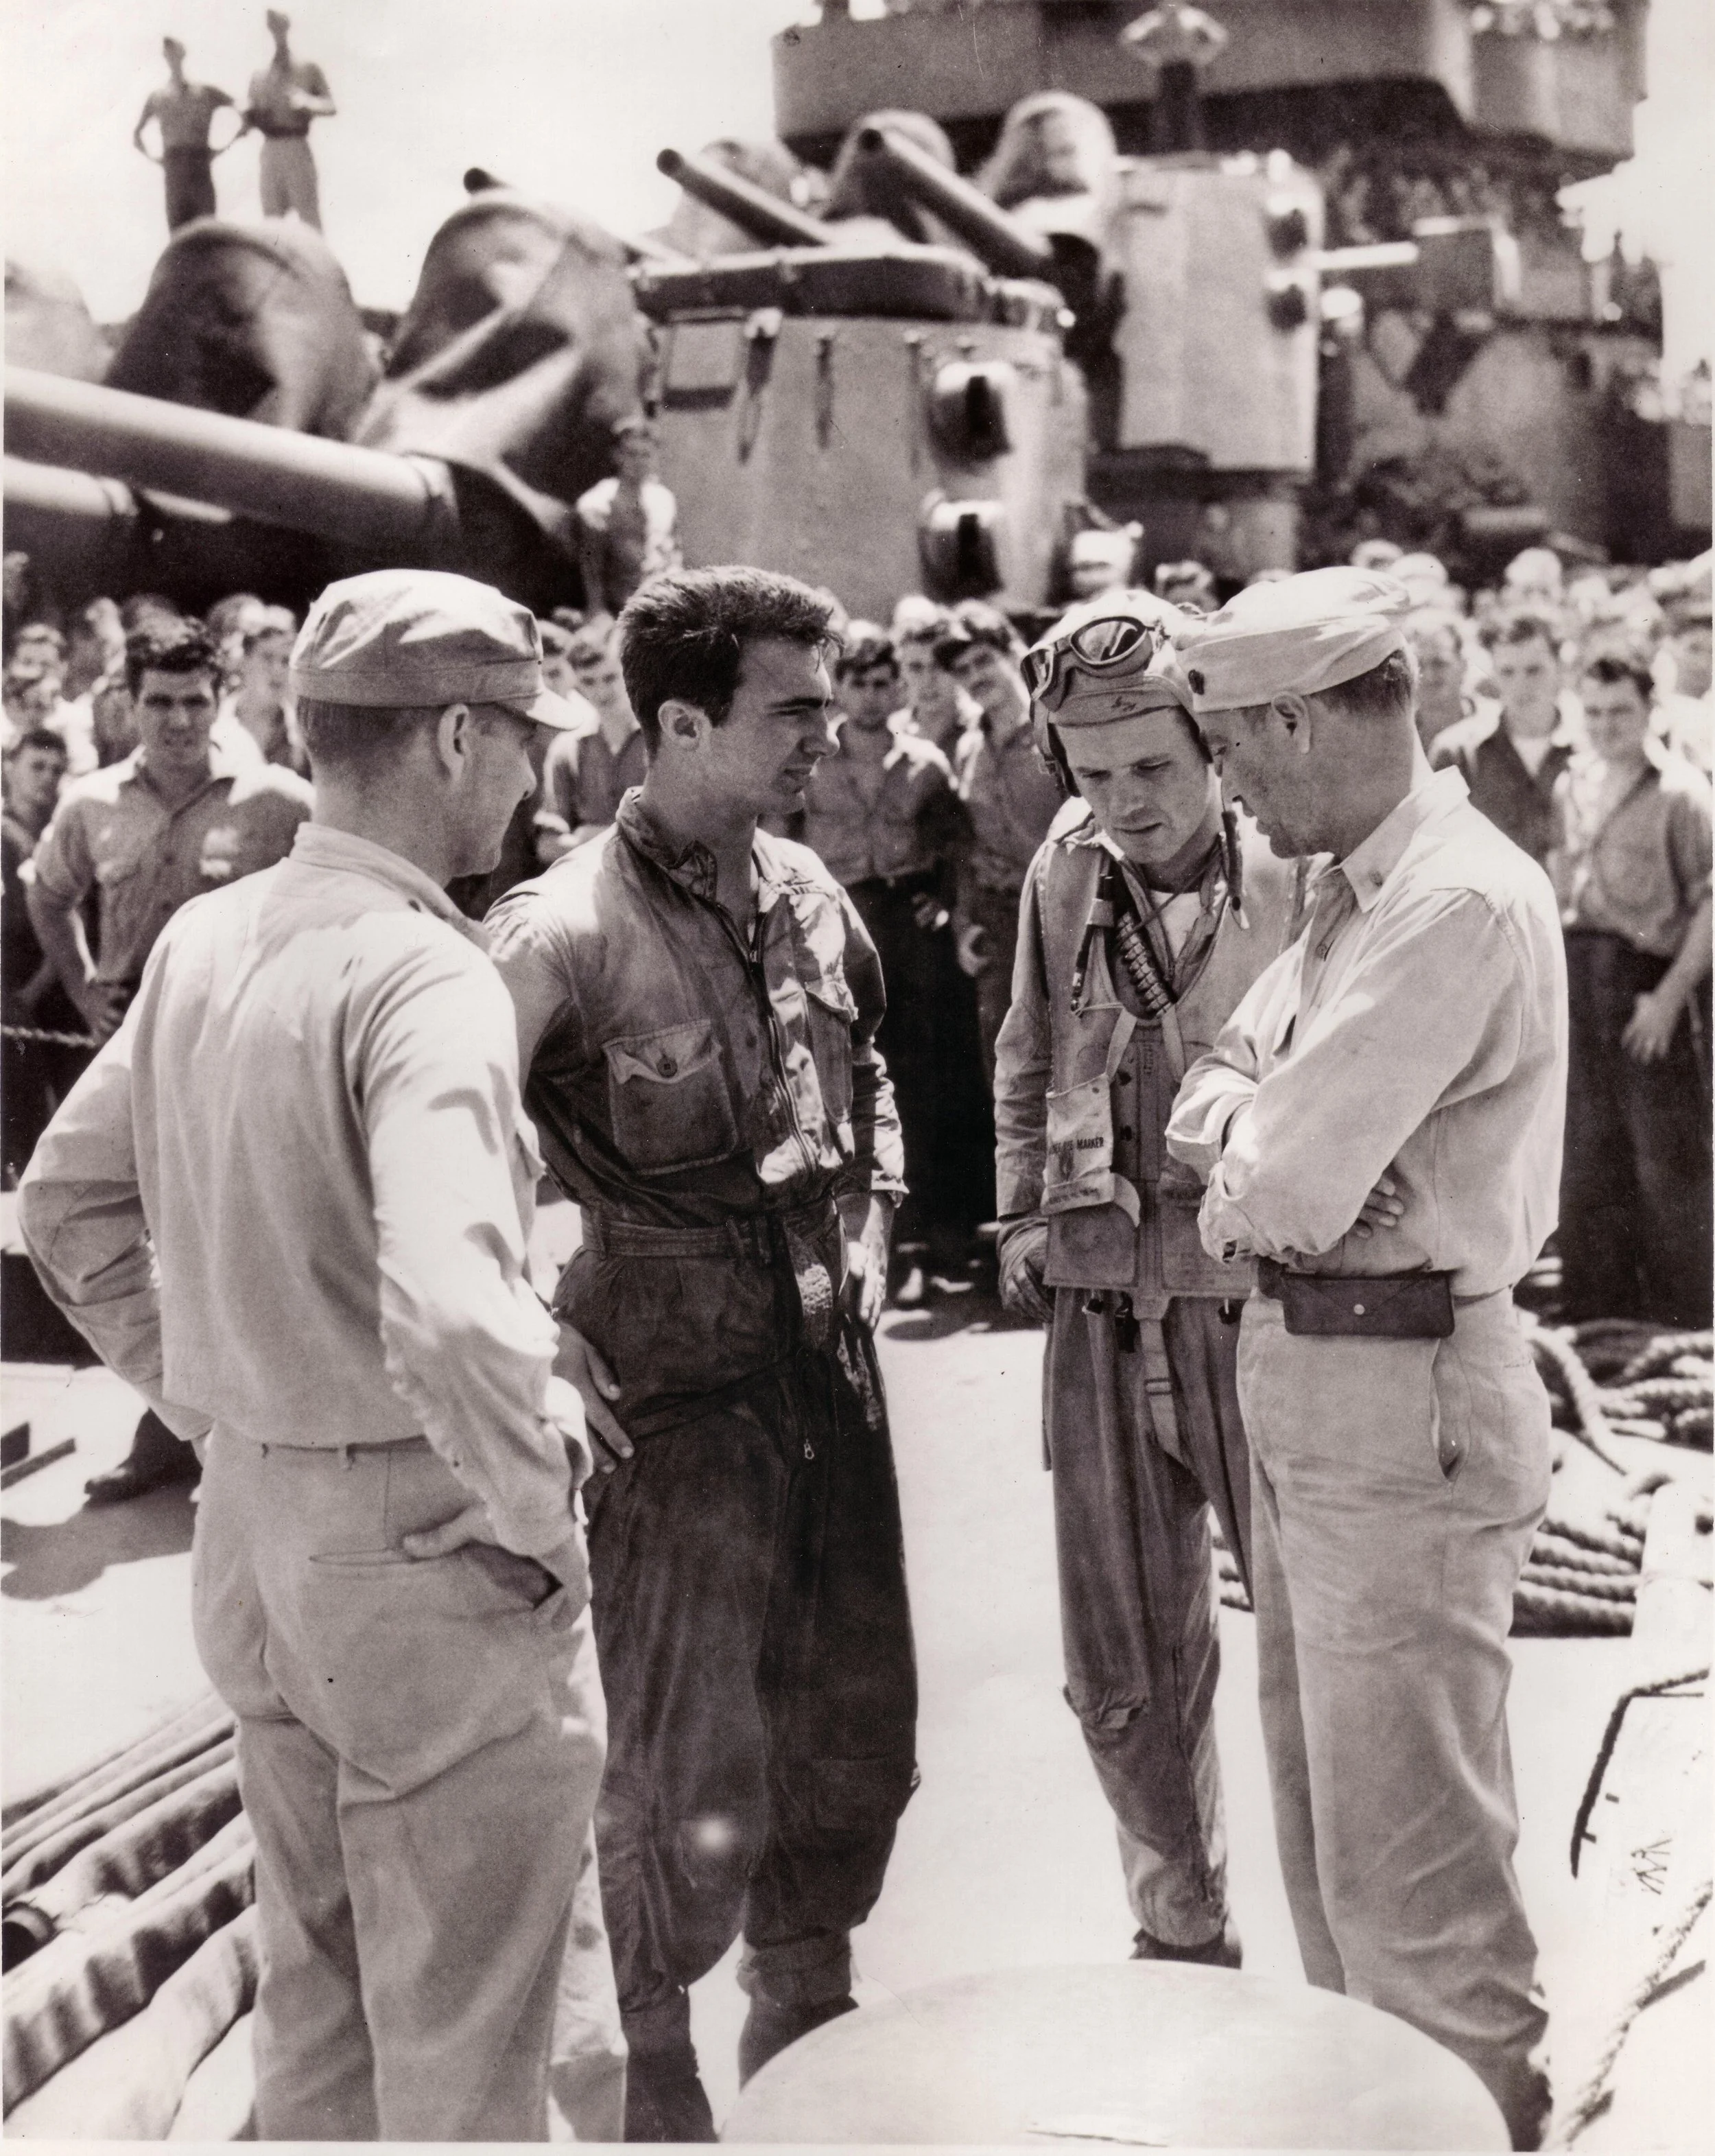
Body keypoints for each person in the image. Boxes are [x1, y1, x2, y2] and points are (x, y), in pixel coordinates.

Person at [19, 568, 603, 2141]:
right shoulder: (426, 970)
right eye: (524, 738)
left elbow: (64, 1205)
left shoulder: (208, 936)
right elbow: (456, 1310)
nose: (532, 775)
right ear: (457, 737)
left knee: (320, 2013)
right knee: (490, 2051)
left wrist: (216, 1398)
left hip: (256, 1535)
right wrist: (538, 1509)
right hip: (424, 1554)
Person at [484, 567, 916, 2141]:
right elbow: (420, 1150)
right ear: (678, 722)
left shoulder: (804, 889)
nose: (829, 734)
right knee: (675, 1770)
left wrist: (875, 1214)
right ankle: (652, 2076)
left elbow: (868, 1076)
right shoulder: (561, 932)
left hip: (825, 1379)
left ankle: (807, 2032)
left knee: (852, 1739)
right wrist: (530, 1332)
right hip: (672, 1413)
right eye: (792, 710)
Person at [1164, 567, 1565, 2150]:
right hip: (1329, 1384)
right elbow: (1215, 1088)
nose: (1231, 788)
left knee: (1416, 1895)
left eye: (1233, 748)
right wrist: (1260, 1138)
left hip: (1402, 1395)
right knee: (1334, 1869)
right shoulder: (1356, 896)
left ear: (1299, 723)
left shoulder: (1449, 903)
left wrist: (1260, 1157)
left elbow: (1284, 1185)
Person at [993, 594, 1300, 1968]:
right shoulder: (1062, 871)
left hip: (1256, 1305)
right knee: (1120, 1670)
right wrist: (1022, 1217)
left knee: (1312, 1647)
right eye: (1093, 770)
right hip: (1103, 1305)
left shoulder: (1294, 868)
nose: (1124, 800)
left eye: (1153, 767)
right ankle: (1181, 1935)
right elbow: (1024, 1052)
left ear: (1214, 746)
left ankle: (1351, 1966)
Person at [27, 618, 312, 1504]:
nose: (180, 720)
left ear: (221, 697)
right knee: (88, 1219)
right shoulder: (90, 803)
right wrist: (81, 987)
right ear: (129, 702)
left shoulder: (278, 800)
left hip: (238, 1055)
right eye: (159, 702)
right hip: (126, 1051)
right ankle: (183, 1422)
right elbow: (48, 893)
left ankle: (252, 1438)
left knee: (239, 1245)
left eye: (195, 700)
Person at [792, 626, 980, 1302]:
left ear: (897, 687)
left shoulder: (926, 761)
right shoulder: (812, 757)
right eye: (858, 683)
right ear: (837, 688)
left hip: (909, 927)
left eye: (882, 683)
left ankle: (938, 1233)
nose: (871, 695)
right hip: (838, 922)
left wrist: (944, 901)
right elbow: (780, 840)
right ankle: (876, 1243)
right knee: (851, 1079)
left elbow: (957, 844)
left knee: (924, 1078)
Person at [1549, 648, 1712, 1326]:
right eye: (1592, 712)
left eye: (1620, 711)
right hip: (1582, 980)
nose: (1605, 725)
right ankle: (1598, 1314)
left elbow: (1710, 903)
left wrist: (1669, 998)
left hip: (1647, 985)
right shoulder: (1572, 784)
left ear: (1650, 709)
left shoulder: (1683, 792)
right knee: (1586, 1151)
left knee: (1665, 1160)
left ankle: (1685, 1322)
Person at [938, 600, 1065, 1078]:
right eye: (963, 670)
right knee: (1006, 1064)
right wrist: (964, 920)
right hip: (1000, 918)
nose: (975, 676)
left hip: (1063, 909)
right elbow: (967, 846)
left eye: (983, 660)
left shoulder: (1055, 728)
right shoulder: (968, 746)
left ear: (1012, 652)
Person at [1431, 609, 1577, 866]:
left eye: (1534, 671)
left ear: (1560, 670)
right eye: (1508, 672)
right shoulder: (1458, 753)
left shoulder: (1589, 748)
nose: (1521, 685)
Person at [2, 729, 84, 1182]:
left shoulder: (69, 833)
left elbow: (78, 918)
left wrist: (34, 992)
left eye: (57, 770)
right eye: (37, 766)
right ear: (9, 767)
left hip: (63, 994)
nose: (47, 778)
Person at [536, 620, 640, 863]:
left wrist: (591, 837)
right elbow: (547, 846)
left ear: (629, 672)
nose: (601, 692)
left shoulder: (662, 741)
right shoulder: (567, 749)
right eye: (589, 681)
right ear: (575, 681)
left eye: (610, 678)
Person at [573, 417, 683, 619]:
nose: (639, 462)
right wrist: (596, 612)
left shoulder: (664, 499)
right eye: (632, 454)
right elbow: (591, 569)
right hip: (623, 608)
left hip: (666, 603)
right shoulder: (596, 505)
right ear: (617, 456)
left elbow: (674, 552)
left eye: (646, 454)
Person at [133, 38, 240, 231]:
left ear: (183, 54)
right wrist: (157, 160)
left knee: (206, 230)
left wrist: (223, 148)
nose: (172, 58)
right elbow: (137, 135)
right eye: (168, 54)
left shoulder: (205, 93)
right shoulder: (158, 97)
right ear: (165, 57)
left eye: (175, 52)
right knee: (179, 231)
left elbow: (241, 110)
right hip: (174, 168)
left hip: (199, 163)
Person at [241, 10, 335, 229]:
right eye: (272, 26)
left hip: (296, 145)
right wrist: (248, 116)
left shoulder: (307, 68)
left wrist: (308, 102)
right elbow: (249, 118)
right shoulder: (260, 75)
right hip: (270, 149)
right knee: (272, 223)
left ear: (287, 28)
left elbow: (330, 106)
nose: (276, 31)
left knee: (309, 220)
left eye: (279, 26)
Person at [212, 605, 305, 773]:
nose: (277, 670)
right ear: (244, 660)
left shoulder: (302, 733)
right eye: (267, 658)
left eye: (285, 660)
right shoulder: (215, 720)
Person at [892, 600, 979, 758]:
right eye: (916, 668)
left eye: (938, 666)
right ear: (902, 672)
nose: (928, 680)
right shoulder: (891, 732)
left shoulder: (981, 729)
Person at [1405, 605, 1469, 751]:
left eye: (1439, 664)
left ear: (1463, 666)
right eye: (1418, 665)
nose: (1429, 676)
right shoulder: (1394, 739)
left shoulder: (1492, 726)